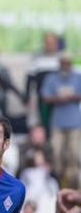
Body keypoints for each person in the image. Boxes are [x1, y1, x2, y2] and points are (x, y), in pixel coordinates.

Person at [40, 53, 81, 188]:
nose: (65, 65)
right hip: (57, 122)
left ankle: (74, 185)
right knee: (56, 153)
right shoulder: (52, 78)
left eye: (67, 62)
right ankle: (58, 181)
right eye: (63, 62)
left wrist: (71, 96)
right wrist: (58, 98)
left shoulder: (77, 77)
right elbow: (44, 96)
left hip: (74, 122)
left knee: (74, 154)